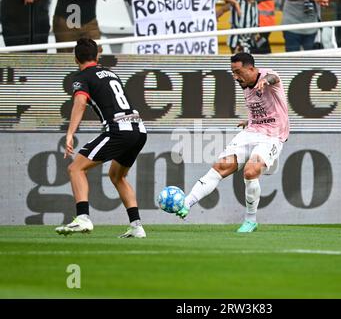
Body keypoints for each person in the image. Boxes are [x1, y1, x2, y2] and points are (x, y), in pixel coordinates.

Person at [174, 52, 289, 233]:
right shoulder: (245, 84)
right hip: (251, 132)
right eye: (232, 73)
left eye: (238, 71)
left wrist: (265, 81)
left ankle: (250, 220)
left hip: (272, 136)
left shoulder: (267, 76)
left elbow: (274, 78)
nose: (235, 77)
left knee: (250, 172)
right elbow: (261, 110)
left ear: (251, 68)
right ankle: (186, 203)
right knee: (220, 167)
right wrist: (249, 121)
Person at [55, 38, 147, 238]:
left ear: (76, 58)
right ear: (96, 56)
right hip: (139, 129)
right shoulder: (110, 73)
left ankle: (83, 219)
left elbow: (80, 102)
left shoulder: (82, 77)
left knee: (75, 168)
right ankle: (137, 226)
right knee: (117, 176)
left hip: (119, 129)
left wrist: (70, 133)